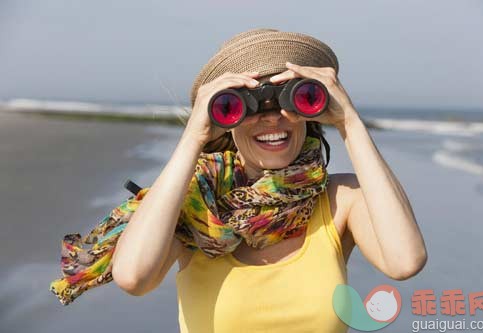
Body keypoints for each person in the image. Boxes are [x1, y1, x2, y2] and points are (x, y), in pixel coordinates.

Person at [50, 28, 427, 332]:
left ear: (309, 111)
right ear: (223, 119)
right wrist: (193, 137)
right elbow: (133, 277)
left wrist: (350, 122)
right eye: (243, 106)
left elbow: (405, 261)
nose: (272, 118)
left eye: (287, 101)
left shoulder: (341, 199)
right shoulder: (197, 209)